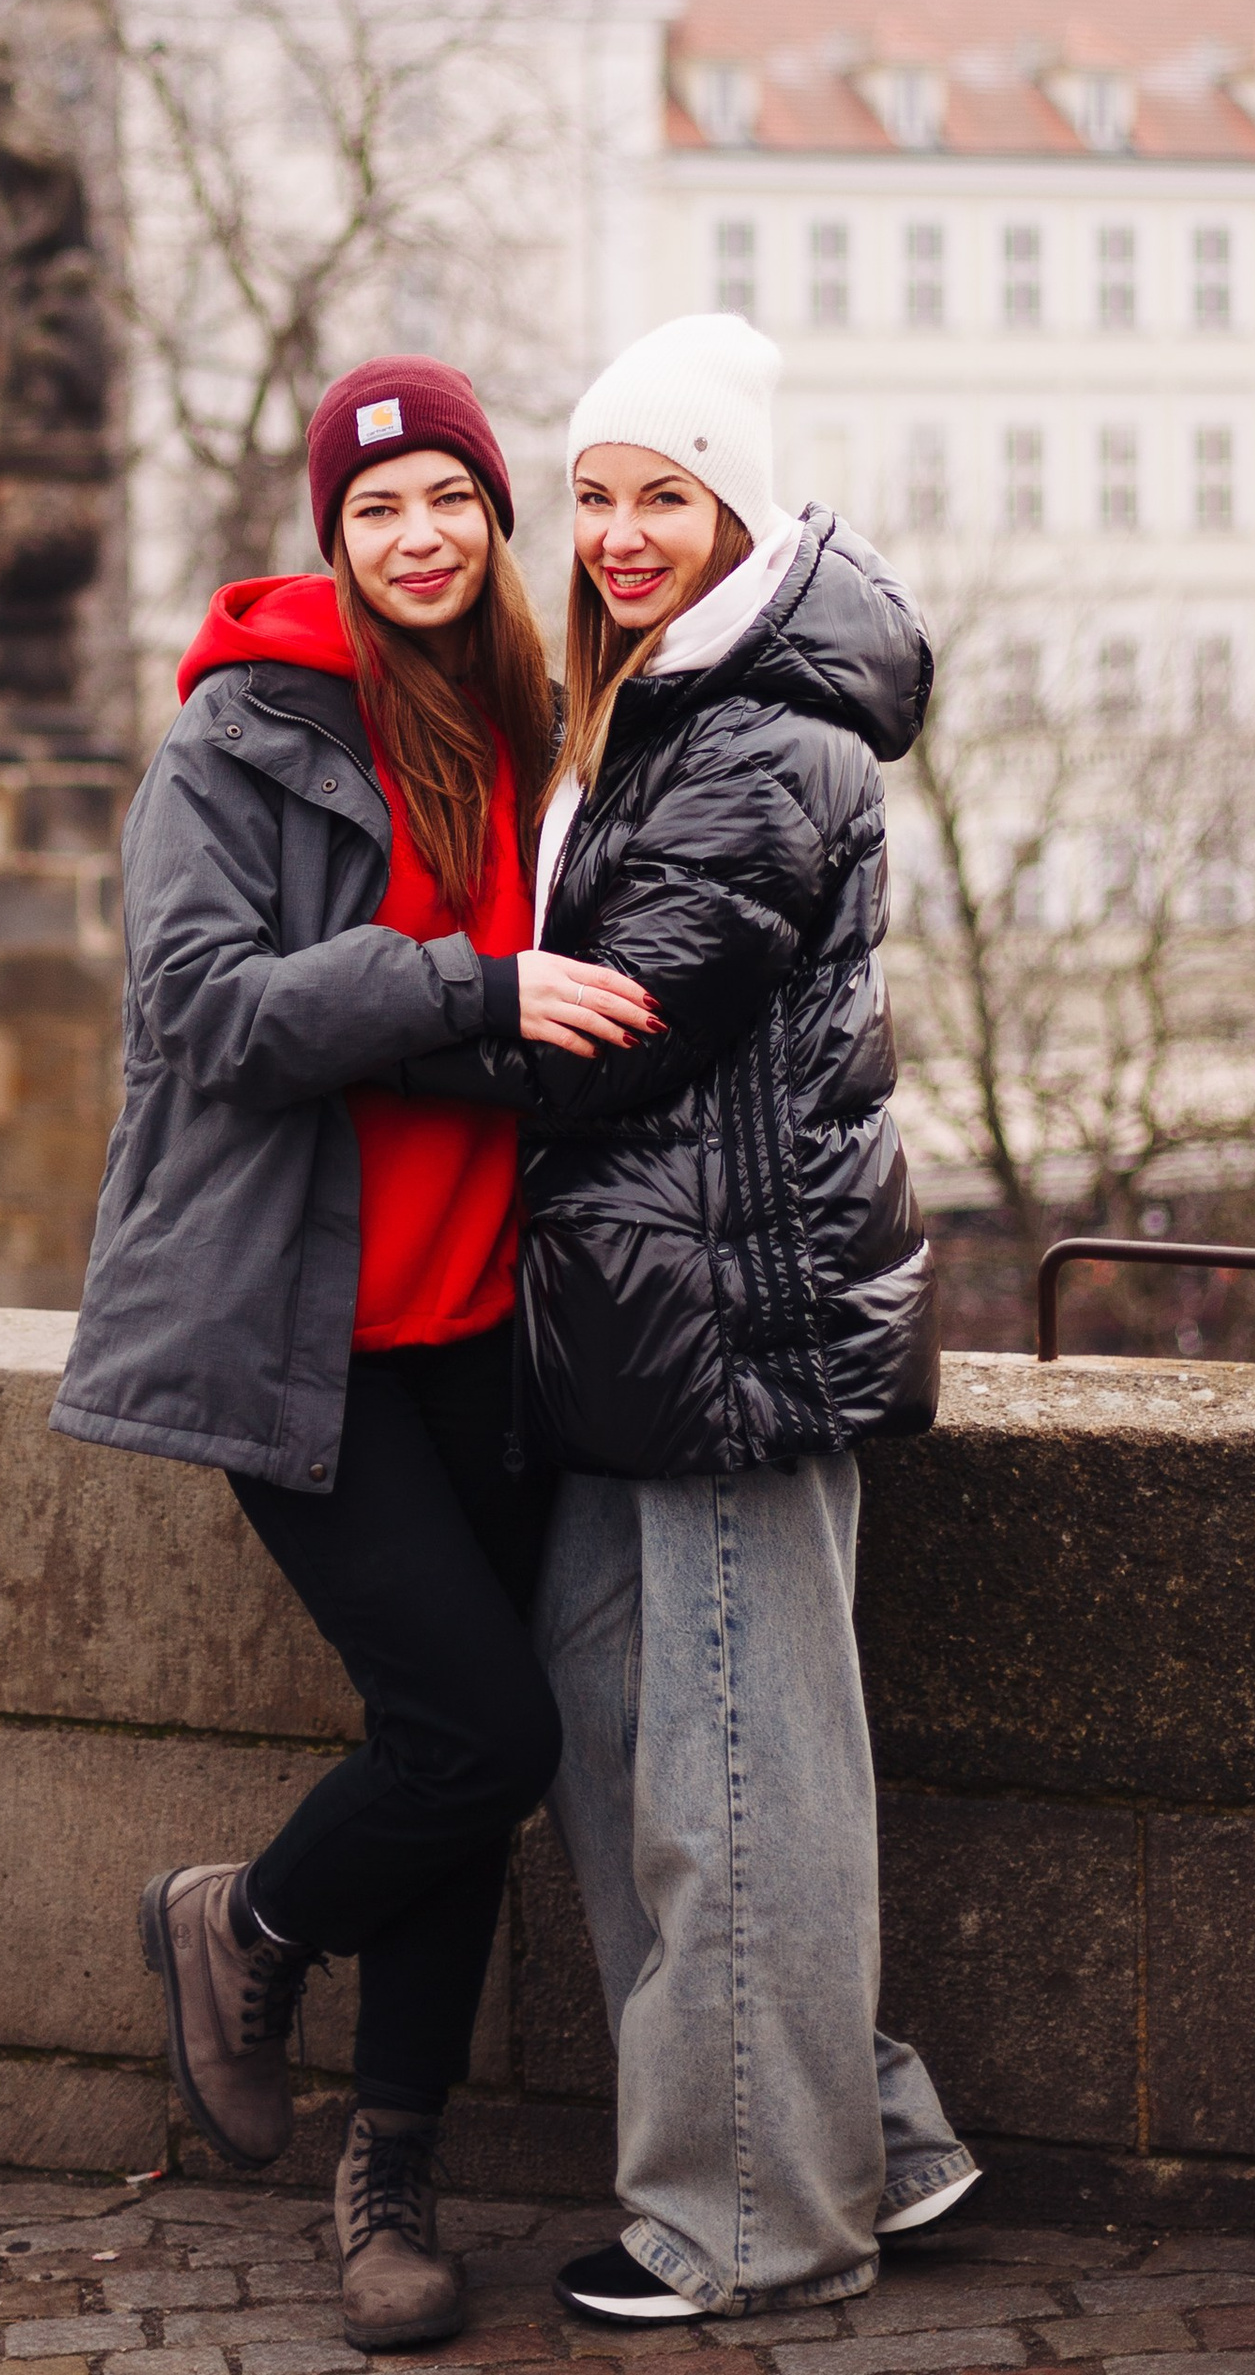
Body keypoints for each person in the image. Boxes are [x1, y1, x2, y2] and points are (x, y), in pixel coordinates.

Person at [53, 359, 654, 2352]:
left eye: (449, 502)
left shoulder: (530, 725)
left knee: (458, 1768)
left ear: (490, 522)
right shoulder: (238, 738)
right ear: (331, 536)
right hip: (294, 1332)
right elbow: (211, 1009)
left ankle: (387, 2168)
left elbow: (556, 1017)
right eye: (376, 508)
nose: (417, 537)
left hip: (489, 1321)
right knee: (482, 1732)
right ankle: (243, 1921)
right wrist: (460, 982)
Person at [392, 315, 977, 2324]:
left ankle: (759, 2218)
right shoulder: (655, 704)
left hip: (726, 1343)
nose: (621, 532)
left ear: (736, 508)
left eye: (665, 495)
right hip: (648, 1340)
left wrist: (381, 1015)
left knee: (728, 1783)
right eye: (596, 494)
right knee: (637, 1747)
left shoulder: (761, 736)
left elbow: (608, 1032)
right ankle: (864, 2140)